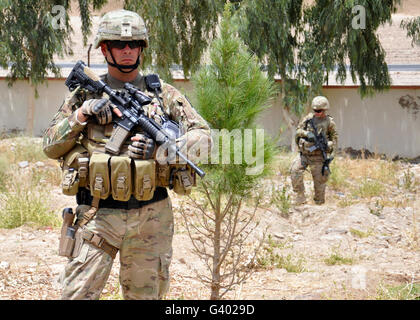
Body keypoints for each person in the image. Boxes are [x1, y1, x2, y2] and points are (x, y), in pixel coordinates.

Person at [43, 9, 212, 300]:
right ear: (105, 48)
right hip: (96, 215)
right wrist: (83, 113)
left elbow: (206, 140)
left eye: (134, 44)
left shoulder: (163, 94)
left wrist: (161, 151)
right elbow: (49, 145)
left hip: (151, 216)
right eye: (119, 45)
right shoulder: (84, 95)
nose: (127, 50)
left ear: (142, 49)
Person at [290, 96, 338, 205]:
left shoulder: (329, 122)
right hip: (305, 155)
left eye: (319, 111)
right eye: (315, 110)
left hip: (318, 157)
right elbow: (298, 131)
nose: (317, 112)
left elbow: (334, 139)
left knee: (320, 182)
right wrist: (307, 134)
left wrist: (328, 145)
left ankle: (319, 204)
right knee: (295, 170)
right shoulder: (308, 119)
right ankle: (300, 197)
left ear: (325, 110)